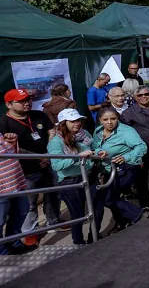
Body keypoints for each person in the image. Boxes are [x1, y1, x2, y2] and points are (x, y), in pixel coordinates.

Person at [0, 89, 60, 239]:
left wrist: (48, 153)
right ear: (8, 104)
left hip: (48, 161)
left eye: (28, 99)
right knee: (29, 203)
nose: (26, 103)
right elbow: (9, 149)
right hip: (25, 170)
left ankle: (53, 222)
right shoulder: (3, 122)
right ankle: (30, 232)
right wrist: (39, 158)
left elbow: (52, 131)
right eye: (20, 101)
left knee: (53, 194)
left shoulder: (38, 115)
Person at [93, 106, 149, 233]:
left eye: (113, 119)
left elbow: (141, 147)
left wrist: (126, 157)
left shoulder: (126, 131)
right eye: (105, 119)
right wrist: (99, 151)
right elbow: (94, 147)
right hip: (108, 169)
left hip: (126, 167)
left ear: (118, 118)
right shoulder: (97, 131)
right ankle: (122, 221)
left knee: (108, 198)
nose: (109, 122)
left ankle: (138, 214)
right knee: (110, 198)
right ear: (100, 120)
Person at [47, 109, 99, 245]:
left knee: (98, 207)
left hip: (90, 175)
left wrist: (99, 152)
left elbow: (95, 147)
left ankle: (94, 237)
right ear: (64, 123)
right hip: (70, 181)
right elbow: (57, 165)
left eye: (78, 120)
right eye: (73, 121)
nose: (77, 123)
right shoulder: (56, 142)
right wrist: (76, 157)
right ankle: (78, 242)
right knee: (78, 214)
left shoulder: (85, 133)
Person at [0, 132, 30, 255]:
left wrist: (11, 145)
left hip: (17, 182)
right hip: (2, 188)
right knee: (0, 221)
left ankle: (14, 242)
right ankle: (2, 251)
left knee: (21, 212)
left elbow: (11, 155)